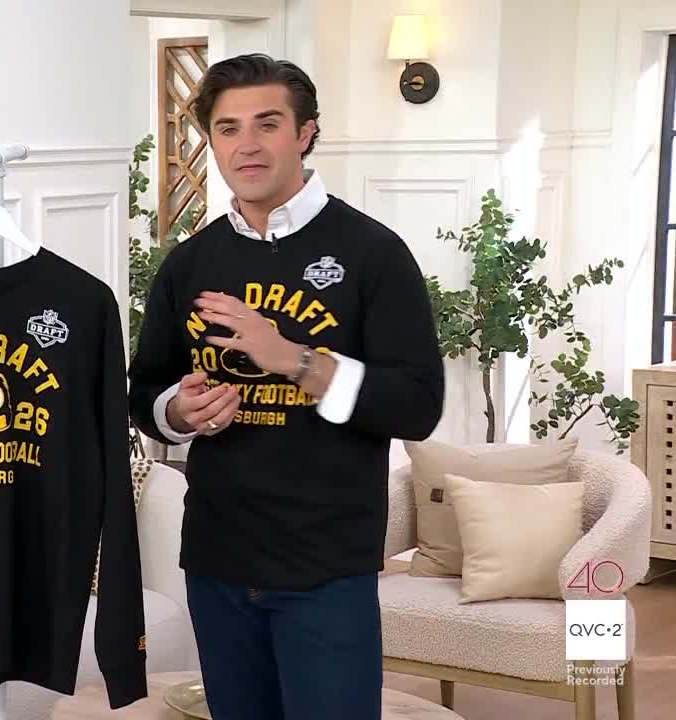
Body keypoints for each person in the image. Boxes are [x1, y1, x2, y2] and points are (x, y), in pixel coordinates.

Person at [127, 53, 445, 720]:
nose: (246, 144)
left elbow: (417, 405)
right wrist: (180, 410)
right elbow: (146, 394)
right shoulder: (189, 263)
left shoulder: (373, 253)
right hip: (216, 557)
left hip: (326, 565)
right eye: (228, 128)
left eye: (267, 124)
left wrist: (296, 361)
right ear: (212, 141)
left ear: (305, 133)